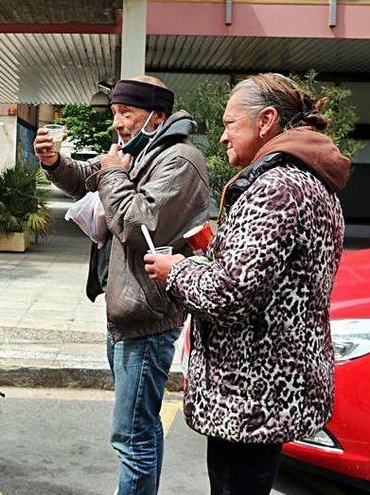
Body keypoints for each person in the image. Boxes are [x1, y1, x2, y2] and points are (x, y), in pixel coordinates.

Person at [144, 73, 350, 495]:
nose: (221, 137)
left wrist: (176, 270)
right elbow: (265, 278)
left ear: (267, 121)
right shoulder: (304, 181)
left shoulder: (277, 187)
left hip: (250, 393)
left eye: (229, 123)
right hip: (264, 388)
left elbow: (229, 292)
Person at [34, 76, 210, 494]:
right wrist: (55, 162)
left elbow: (137, 224)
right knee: (141, 432)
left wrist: (113, 175)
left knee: (131, 437)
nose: (118, 123)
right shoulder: (137, 151)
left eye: (126, 113)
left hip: (147, 320)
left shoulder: (180, 161)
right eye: (114, 113)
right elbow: (85, 178)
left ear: (158, 115)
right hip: (126, 313)